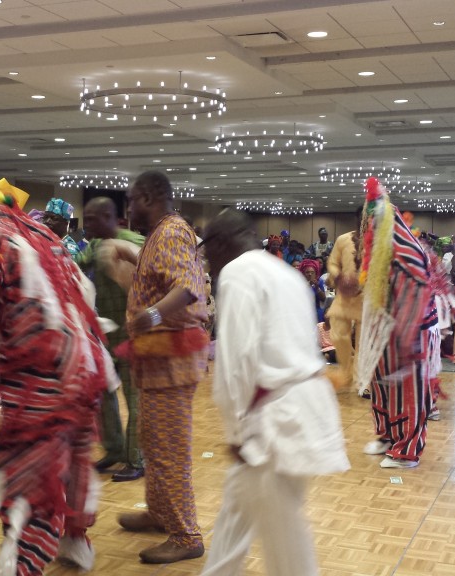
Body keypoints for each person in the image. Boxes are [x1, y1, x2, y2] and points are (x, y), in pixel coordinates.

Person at [0, 175, 111, 574]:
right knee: (71, 459)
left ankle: (22, 564)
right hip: (83, 369)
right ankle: (75, 541)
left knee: (34, 474)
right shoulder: (42, 235)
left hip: (41, 377)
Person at [198, 208, 349, 576]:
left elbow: (237, 359)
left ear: (220, 243)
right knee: (237, 512)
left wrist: (237, 430)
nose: (208, 262)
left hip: (275, 418)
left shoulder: (236, 273)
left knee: (286, 540)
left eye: (206, 253)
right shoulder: (286, 274)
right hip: (301, 404)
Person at [117, 170, 209, 564]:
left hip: (170, 360)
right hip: (159, 361)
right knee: (153, 442)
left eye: (132, 200)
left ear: (151, 198)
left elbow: (187, 285)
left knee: (168, 449)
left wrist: (151, 316)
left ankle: (186, 535)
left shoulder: (170, 232)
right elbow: (163, 275)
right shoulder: (163, 233)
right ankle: (159, 513)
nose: (128, 208)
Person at [356, 177, 439, 469]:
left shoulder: (407, 253)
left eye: (373, 219)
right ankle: (388, 436)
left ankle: (408, 449)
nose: (368, 226)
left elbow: (413, 301)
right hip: (387, 331)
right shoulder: (378, 251)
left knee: (408, 390)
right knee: (382, 386)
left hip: (411, 332)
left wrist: (406, 341)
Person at [76, 196, 146, 482]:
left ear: (108, 216)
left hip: (134, 336)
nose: (87, 224)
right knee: (103, 395)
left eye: (92, 219)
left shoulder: (134, 242)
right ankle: (115, 449)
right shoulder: (93, 246)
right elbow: (74, 266)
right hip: (106, 337)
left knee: (135, 399)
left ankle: (135, 458)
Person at [327, 206, 363, 389]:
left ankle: (361, 382)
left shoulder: (381, 243)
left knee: (364, 343)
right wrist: (339, 277)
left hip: (368, 299)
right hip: (344, 296)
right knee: (338, 334)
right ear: (357, 219)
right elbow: (332, 263)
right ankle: (347, 371)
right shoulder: (343, 239)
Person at [299, 258, 326, 323]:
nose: (310, 274)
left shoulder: (319, 282)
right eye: (307, 272)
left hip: (316, 311)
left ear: (315, 273)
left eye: (312, 272)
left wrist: (317, 288)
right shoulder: (300, 283)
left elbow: (323, 299)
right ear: (303, 273)